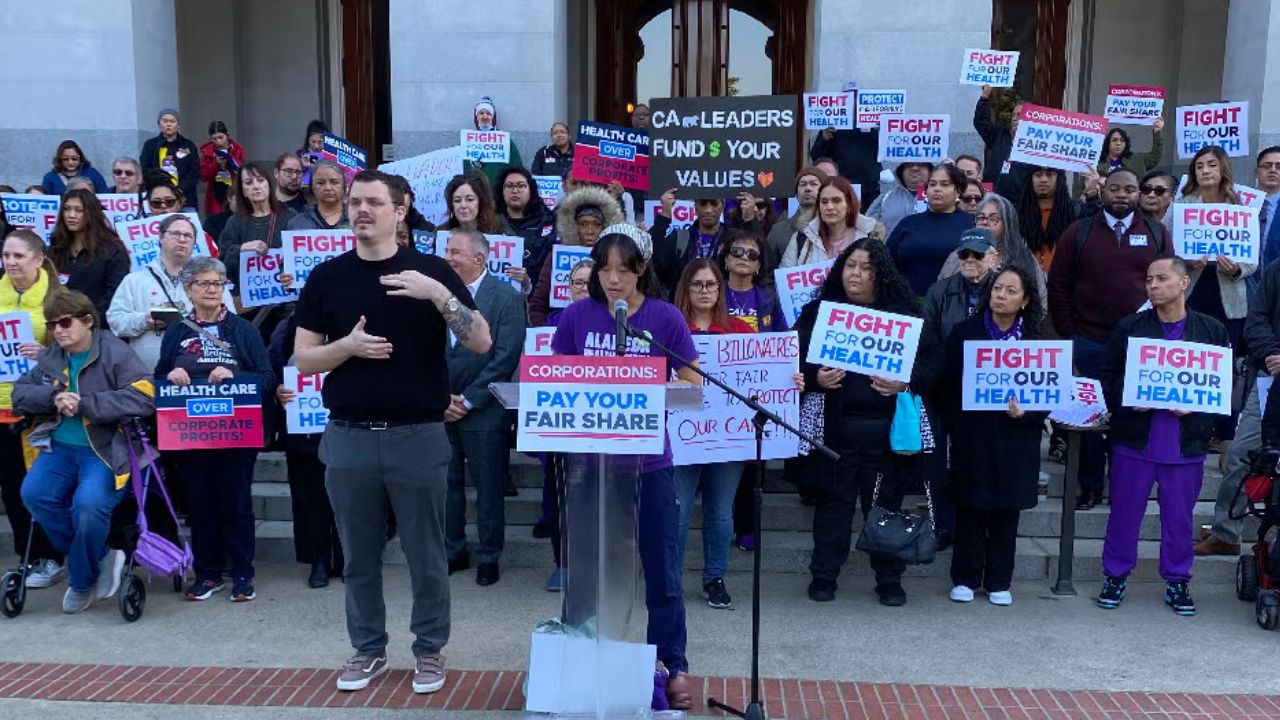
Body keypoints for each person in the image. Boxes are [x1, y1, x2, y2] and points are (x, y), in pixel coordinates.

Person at [293, 169, 490, 695]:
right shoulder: (327, 277)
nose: (362, 210)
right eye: (355, 201)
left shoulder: (432, 272)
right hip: (349, 436)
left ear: (399, 211)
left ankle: (429, 650)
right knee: (358, 557)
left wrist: (438, 295)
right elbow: (303, 358)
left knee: (427, 556)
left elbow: (481, 341)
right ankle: (368, 649)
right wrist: (347, 348)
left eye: (374, 202)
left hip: (417, 436)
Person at [549, 225, 700, 709]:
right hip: (590, 465)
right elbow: (555, 375)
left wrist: (650, 385)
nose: (613, 279)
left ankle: (672, 664)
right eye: (604, 269)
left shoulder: (664, 317)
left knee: (662, 571)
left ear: (642, 269)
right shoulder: (576, 316)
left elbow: (692, 381)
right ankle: (581, 658)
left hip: (650, 463)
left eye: (623, 269)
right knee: (587, 571)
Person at [794, 238, 943, 606]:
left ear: (882, 275)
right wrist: (815, 378)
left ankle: (889, 580)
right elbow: (791, 360)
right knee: (832, 510)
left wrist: (905, 383)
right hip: (834, 434)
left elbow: (934, 363)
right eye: (850, 265)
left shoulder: (906, 316)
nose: (856, 274)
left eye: (866, 268)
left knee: (885, 509)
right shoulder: (818, 313)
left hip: (886, 437)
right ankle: (823, 576)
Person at [1097, 256, 1227, 616]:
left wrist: (1195, 407)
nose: (1152, 285)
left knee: (1179, 519)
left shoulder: (1211, 330)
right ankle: (1115, 576)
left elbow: (1222, 385)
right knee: (1123, 515)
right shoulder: (1130, 327)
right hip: (1135, 439)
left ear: (1184, 283)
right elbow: (1108, 377)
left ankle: (1177, 581)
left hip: (1185, 444)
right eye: (1149, 279)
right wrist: (1130, 398)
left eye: (1161, 278)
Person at [14, 290, 155, 613]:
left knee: (88, 506)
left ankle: (80, 581)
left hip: (104, 449)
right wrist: (53, 398)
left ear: (88, 321)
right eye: (52, 324)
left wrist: (86, 404)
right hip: (60, 446)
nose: (57, 330)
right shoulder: (53, 355)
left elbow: (145, 396)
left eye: (65, 323)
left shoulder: (115, 351)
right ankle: (99, 556)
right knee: (34, 494)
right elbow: (21, 392)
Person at [154, 258, 273, 602]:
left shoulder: (243, 330)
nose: (212, 289)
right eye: (204, 283)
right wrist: (171, 376)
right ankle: (207, 574)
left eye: (217, 283)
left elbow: (267, 378)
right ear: (188, 289)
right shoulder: (176, 332)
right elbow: (158, 377)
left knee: (236, 502)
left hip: (236, 431)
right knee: (200, 504)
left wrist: (235, 376)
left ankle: (242, 573)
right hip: (190, 434)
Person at [1049, 168, 1167, 510]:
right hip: (1089, 340)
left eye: (1129, 189)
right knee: (1088, 416)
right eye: (1114, 188)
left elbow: (1168, 281)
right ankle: (1089, 486)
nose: (1121, 195)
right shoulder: (1079, 231)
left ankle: (1122, 486)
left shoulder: (1157, 232)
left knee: (1128, 419)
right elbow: (1058, 283)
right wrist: (1069, 331)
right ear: (1103, 192)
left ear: (1138, 193)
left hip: (1138, 346)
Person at [942, 265, 1046, 606]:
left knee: (1007, 508)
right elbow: (947, 385)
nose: (1001, 295)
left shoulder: (1036, 341)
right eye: (997, 288)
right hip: (973, 436)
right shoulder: (965, 333)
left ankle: (999, 579)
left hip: (1018, 437)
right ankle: (965, 577)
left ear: (1025, 300)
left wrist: (1027, 412)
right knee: (970, 505)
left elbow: (1049, 394)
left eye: (1010, 291)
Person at [438, 229, 526, 586]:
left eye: (454, 251)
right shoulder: (436, 295)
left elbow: (505, 356)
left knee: (489, 488)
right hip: (441, 406)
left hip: (486, 411)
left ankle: (490, 555)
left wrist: (470, 399)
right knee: (447, 486)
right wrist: (442, 398)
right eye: (446, 250)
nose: (447, 257)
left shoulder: (506, 298)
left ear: (479, 258)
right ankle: (453, 550)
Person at [671, 259, 754, 610]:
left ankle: (714, 578)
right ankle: (670, 579)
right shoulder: (672, 329)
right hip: (682, 435)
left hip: (726, 437)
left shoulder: (741, 330)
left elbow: (761, 375)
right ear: (685, 289)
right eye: (697, 284)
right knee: (677, 512)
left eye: (711, 284)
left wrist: (788, 379)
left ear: (720, 289)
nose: (705, 291)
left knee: (721, 513)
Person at [1200, 231, 1280, 557]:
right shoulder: (1276, 270)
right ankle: (1226, 533)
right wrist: (1271, 353)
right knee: (1241, 454)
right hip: (1270, 379)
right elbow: (1255, 319)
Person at [1172, 146, 1255, 461]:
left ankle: (1224, 437)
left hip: (1228, 301)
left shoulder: (1241, 206)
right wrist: (1183, 261)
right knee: (1186, 364)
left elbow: (1252, 259)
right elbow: (1164, 247)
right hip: (1190, 294)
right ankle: (1187, 432)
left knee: (1222, 370)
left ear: (1223, 169)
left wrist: (1236, 269)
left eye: (1211, 165)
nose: (1205, 170)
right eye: (1199, 166)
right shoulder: (1182, 205)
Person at [0, 229, 64, 588]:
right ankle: (30, 556)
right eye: (6, 255)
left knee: (41, 488)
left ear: (39, 259)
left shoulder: (57, 298)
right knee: (12, 489)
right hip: (2, 408)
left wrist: (46, 354)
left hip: (40, 410)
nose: (11, 262)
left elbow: (78, 349)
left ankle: (54, 554)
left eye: (18, 256)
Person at [270, 311, 342, 588]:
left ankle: (347, 558)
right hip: (303, 433)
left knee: (349, 499)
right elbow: (271, 368)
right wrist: (277, 389)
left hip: (344, 429)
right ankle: (318, 560)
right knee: (310, 500)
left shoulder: (351, 318)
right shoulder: (287, 327)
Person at [533, 257, 592, 591]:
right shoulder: (553, 323)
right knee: (560, 500)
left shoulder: (612, 323)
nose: (582, 288)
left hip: (600, 426)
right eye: (577, 283)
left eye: (588, 282)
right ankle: (564, 565)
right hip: (561, 425)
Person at [107, 214, 199, 371]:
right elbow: (115, 321)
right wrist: (143, 321)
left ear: (194, 243)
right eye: (176, 234)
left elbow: (227, 320)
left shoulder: (208, 281)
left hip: (197, 372)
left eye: (188, 236)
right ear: (161, 237)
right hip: (147, 372)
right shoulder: (134, 280)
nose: (182, 239)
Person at [528, 186, 624, 326]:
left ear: (605, 227)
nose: (590, 231)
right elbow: (537, 306)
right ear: (574, 226)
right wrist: (547, 332)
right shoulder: (555, 257)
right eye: (583, 224)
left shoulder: (616, 260)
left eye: (596, 224)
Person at [886, 163, 976, 297]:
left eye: (944, 184)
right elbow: (886, 261)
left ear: (957, 190)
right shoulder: (908, 223)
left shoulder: (971, 224)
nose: (937, 189)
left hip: (953, 301)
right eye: (932, 184)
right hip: (905, 302)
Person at [46, 189, 130, 319]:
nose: (71, 215)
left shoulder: (112, 250)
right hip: (59, 323)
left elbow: (115, 293)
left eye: (79, 210)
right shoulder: (56, 248)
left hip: (98, 323)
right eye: (66, 209)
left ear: (91, 213)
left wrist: (89, 319)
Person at [649, 193, 759, 292]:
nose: (708, 210)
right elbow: (657, 264)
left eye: (714, 204)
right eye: (703, 204)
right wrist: (664, 216)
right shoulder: (681, 238)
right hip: (685, 303)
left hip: (725, 302)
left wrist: (749, 220)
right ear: (695, 207)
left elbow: (760, 258)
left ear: (723, 206)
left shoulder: (734, 238)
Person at [218, 163, 298, 291]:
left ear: (269, 185)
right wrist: (243, 248)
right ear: (243, 191)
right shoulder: (235, 222)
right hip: (247, 297)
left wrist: (289, 272)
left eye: (260, 180)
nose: (256, 186)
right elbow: (223, 267)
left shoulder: (290, 216)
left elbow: (299, 257)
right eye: (248, 183)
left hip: (286, 294)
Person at [781, 176, 883, 268]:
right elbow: (785, 277)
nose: (829, 207)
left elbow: (879, 276)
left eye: (836, 201)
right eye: (824, 202)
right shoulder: (802, 238)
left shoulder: (869, 237)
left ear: (849, 204)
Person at [923, 228, 999, 346]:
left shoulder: (1006, 291)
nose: (969, 260)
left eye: (978, 255)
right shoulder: (938, 292)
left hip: (992, 355)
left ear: (993, 259)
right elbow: (926, 337)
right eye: (964, 254)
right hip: (949, 356)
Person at [494, 166, 555, 296]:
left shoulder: (547, 223)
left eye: (521, 186)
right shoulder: (490, 223)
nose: (515, 190)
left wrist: (527, 282)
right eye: (509, 186)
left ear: (530, 190)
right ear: (502, 191)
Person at [809, 107, 883, 207]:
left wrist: (884, 129)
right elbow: (816, 156)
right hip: (841, 185)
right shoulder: (833, 124)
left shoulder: (878, 124)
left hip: (869, 187)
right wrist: (824, 138)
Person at [1016, 166, 1081, 273]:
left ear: (1059, 179)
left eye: (1049, 174)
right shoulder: (1016, 215)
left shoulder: (1075, 212)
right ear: (1030, 179)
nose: (1044, 179)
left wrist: (1092, 194)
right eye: (1038, 175)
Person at [141, 170, 218, 257]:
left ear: (179, 204)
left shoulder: (202, 236)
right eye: (156, 203)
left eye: (169, 202)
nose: (163, 206)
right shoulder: (137, 239)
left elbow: (215, 261)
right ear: (149, 206)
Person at [718, 231, 784, 332]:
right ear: (726, 259)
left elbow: (783, 334)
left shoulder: (770, 297)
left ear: (758, 265)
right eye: (737, 252)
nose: (744, 257)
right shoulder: (713, 293)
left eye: (752, 254)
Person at [139, 109, 199, 208]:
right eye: (165, 121)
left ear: (178, 125)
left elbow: (194, 171)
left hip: (185, 197)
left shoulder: (188, 146)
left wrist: (179, 190)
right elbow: (146, 170)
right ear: (159, 124)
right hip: (158, 199)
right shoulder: (150, 145)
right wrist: (162, 189)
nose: (169, 124)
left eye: (172, 121)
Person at [766, 167, 824, 260]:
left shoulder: (834, 228)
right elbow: (768, 265)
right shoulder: (778, 230)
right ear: (796, 194)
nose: (808, 188)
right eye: (803, 184)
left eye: (814, 184)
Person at [467, 97, 523, 190]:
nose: (485, 116)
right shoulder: (468, 141)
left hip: (499, 191)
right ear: (476, 117)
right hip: (475, 191)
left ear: (493, 117)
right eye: (481, 113)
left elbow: (517, 167)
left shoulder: (505, 141)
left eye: (488, 113)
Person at [972, 85, 1021, 186]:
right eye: (1013, 115)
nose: (1014, 118)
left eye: (1019, 115)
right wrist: (985, 96)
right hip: (993, 189)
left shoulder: (1035, 144)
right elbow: (980, 122)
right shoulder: (999, 135)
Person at [867, 161, 931, 237]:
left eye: (922, 164)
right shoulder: (885, 197)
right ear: (901, 171)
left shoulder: (940, 197)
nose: (915, 168)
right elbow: (867, 228)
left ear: (930, 171)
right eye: (909, 164)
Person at [198, 120, 247, 216]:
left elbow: (241, 170)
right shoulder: (207, 152)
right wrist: (215, 164)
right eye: (214, 139)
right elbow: (203, 176)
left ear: (227, 135)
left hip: (235, 191)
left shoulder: (237, 149)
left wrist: (230, 159)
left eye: (221, 137)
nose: (218, 141)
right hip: (215, 195)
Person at [288, 160, 349, 231]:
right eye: (320, 183)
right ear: (312, 187)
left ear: (343, 187)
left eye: (334, 182)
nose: (328, 188)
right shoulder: (298, 222)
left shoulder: (356, 219)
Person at [1098, 121, 1165, 175]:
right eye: (1114, 140)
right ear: (1108, 143)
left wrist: (1157, 132)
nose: (1118, 143)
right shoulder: (1097, 161)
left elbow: (1156, 156)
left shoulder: (1137, 159)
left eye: (1122, 140)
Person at [42, 141, 108, 195]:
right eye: (65, 159)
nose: (70, 162)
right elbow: (45, 200)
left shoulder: (92, 174)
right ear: (60, 159)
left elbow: (105, 196)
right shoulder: (50, 178)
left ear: (80, 158)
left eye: (74, 158)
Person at [1254, 147, 1280, 266]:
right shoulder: (1239, 202)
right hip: (1241, 275)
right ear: (1256, 173)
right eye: (1267, 166)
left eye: (1279, 166)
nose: (1273, 170)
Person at [297, 119, 329, 188]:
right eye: (313, 142)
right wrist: (301, 164)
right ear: (308, 140)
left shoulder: (330, 156)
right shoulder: (300, 154)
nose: (316, 146)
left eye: (320, 142)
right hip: (305, 188)